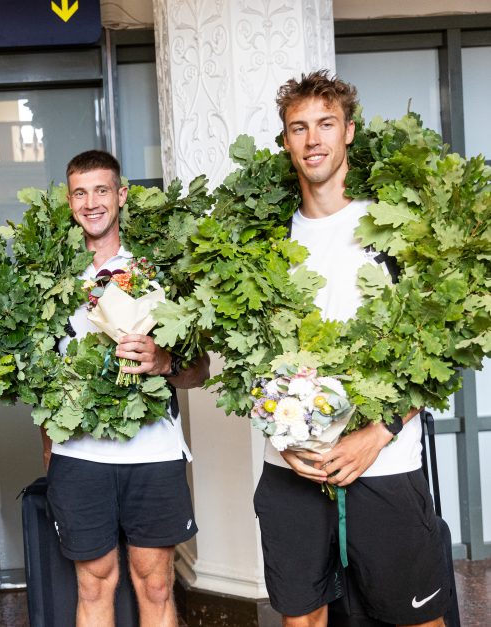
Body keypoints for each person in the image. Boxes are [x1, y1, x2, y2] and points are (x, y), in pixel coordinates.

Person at [253, 70, 451, 627]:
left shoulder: (394, 230)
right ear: (286, 141)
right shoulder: (263, 240)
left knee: (416, 621)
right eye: (299, 127)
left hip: (385, 465)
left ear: (350, 133)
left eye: (325, 124)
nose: (313, 139)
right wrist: (278, 434)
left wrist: (379, 433)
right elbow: (246, 353)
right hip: (292, 468)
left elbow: (443, 345)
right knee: (302, 619)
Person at [42, 150, 210, 627]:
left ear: (121, 195)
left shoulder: (159, 270)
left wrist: (162, 360)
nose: (91, 202)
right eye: (80, 192)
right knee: (94, 583)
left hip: (153, 453)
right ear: (69, 201)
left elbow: (200, 370)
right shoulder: (49, 277)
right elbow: (37, 377)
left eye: (101, 190)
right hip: (79, 457)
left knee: (155, 583)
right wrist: (49, 447)